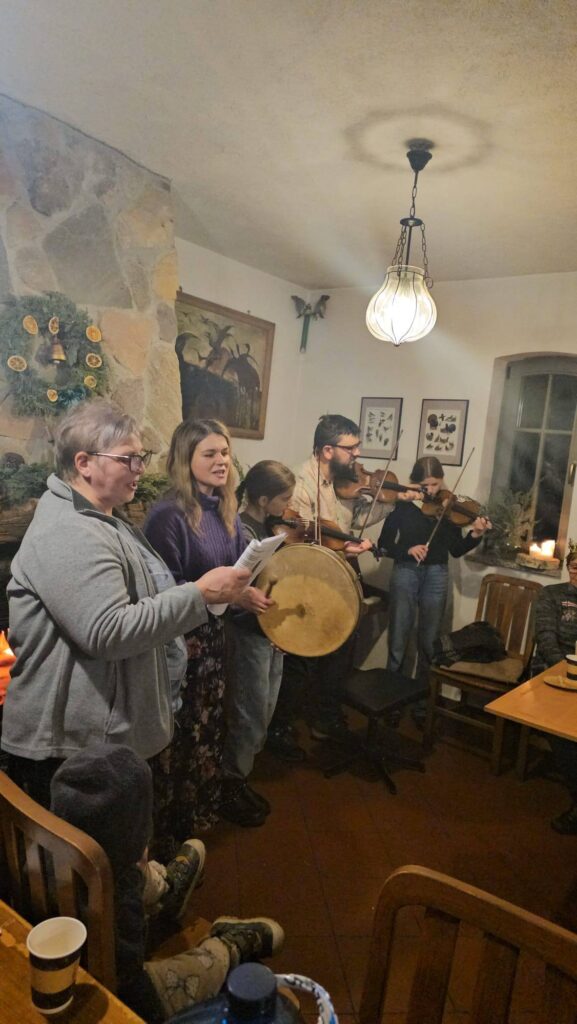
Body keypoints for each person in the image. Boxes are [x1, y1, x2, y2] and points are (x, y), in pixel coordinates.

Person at [1, 400, 251, 809]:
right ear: (84, 463)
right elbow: (107, 631)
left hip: (94, 738)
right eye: (128, 460)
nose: (140, 469)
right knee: (84, 866)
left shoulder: (103, 519)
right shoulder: (70, 531)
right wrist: (200, 594)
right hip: (70, 748)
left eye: (142, 458)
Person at [50, 744, 284, 1024]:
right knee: (193, 973)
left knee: (133, 869)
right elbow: (129, 981)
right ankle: (228, 944)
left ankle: (166, 892)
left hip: (63, 955)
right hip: (123, 990)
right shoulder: (118, 895)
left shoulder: (46, 850)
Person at [144, 419, 272, 851]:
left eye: (225, 452)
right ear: (186, 460)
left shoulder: (226, 508)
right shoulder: (167, 515)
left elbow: (234, 571)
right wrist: (228, 595)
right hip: (182, 643)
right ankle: (169, 832)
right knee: (179, 733)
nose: (222, 462)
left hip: (214, 636)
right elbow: (165, 589)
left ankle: (197, 812)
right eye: (210, 454)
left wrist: (245, 591)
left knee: (208, 725)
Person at [267, 414, 400, 747]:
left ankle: (324, 715)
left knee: (339, 649)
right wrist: (340, 544)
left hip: (338, 570)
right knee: (301, 657)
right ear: (327, 450)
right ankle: (283, 727)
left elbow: (350, 522)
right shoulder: (300, 483)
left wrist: (391, 503)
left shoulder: (341, 481)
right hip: (309, 579)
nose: (357, 455)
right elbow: (294, 540)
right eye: (351, 448)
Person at [221, 460, 296, 826]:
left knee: (265, 707)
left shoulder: (267, 527)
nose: (288, 506)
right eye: (284, 498)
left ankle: (242, 777)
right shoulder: (240, 531)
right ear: (264, 499)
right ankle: (231, 784)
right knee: (248, 712)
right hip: (248, 631)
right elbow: (236, 591)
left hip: (269, 631)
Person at [379, 455, 491, 689]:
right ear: (414, 482)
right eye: (424, 485)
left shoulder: (447, 507)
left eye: (435, 484)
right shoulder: (403, 505)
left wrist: (476, 534)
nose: (430, 490)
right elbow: (384, 544)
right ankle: (390, 694)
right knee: (399, 635)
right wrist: (407, 550)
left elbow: (456, 550)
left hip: (437, 574)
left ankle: (422, 701)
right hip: (406, 571)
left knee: (430, 641)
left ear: (442, 482)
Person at [532, 545, 577, 834]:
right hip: (554, 672)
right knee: (563, 734)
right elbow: (545, 637)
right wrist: (565, 670)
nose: (576, 570)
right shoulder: (551, 595)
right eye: (573, 565)